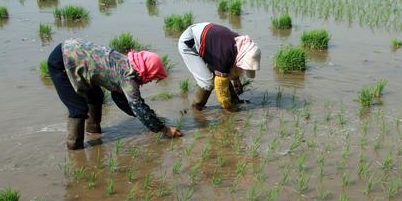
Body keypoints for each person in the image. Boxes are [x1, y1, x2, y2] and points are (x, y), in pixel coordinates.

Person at [47, 39, 182, 150]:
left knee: (96, 95)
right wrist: (164, 129)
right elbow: (137, 106)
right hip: (62, 62)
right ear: (147, 71)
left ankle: (93, 132)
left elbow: (121, 100)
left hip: (74, 55)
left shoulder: (127, 63)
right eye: (152, 78)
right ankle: (75, 149)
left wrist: (151, 119)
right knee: (78, 109)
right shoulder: (128, 77)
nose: (149, 81)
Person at [178, 22, 260, 111]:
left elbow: (233, 64)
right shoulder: (225, 54)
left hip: (206, 37)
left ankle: (234, 100)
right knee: (207, 82)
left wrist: (236, 79)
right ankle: (197, 109)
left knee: (223, 71)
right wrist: (227, 107)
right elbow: (220, 84)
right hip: (189, 43)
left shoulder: (242, 45)